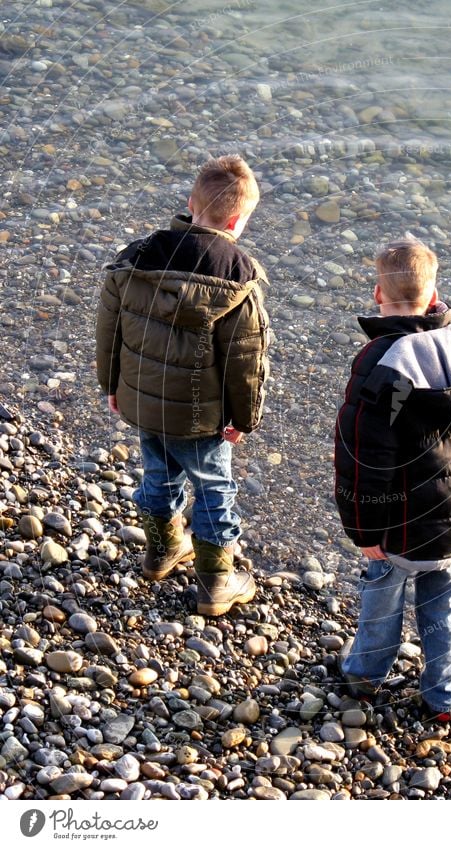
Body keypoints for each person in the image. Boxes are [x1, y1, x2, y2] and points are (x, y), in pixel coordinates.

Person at [95, 154, 270, 616]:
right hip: (202, 415)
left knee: (158, 474)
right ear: (238, 220)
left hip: (141, 400)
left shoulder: (136, 255)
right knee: (214, 488)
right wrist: (243, 417)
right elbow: (245, 359)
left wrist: (111, 383)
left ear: (190, 202)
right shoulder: (238, 275)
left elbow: (109, 327)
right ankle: (216, 581)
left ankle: (160, 552)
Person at [334, 235, 451, 721]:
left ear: (378, 295)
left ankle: (364, 678)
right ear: (433, 294)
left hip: (399, 529)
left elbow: (362, 457)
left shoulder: (382, 365)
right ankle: (443, 697)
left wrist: (363, 530)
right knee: (444, 609)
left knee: (381, 603)